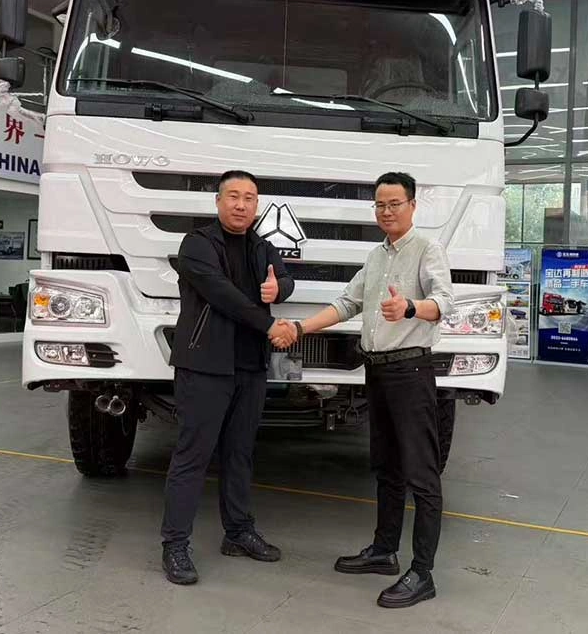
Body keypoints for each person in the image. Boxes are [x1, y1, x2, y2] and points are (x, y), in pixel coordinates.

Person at [273, 171, 453, 608]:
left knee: (421, 474)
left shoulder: (427, 249)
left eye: (395, 203)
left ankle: (423, 572)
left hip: (410, 370)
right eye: (380, 205)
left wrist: (409, 307)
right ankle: (384, 551)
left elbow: (444, 303)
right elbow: (347, 303)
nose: (386, 212)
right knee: (387, 467)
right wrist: (299, 328)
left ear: (412, 206)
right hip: (378, 372)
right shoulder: (376, 257)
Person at [161, 170, 296, 585]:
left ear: (257, 205)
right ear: (218, 201)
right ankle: (175, 544)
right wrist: (269, 323)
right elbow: (223, 295)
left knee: (240, 453)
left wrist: (280, 289)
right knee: (193, 455)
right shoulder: (197, 244)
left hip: (250, 367)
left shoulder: (262, 245)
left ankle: (237, 532)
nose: (241, 204)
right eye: (233, 196)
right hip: (205, 365)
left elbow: (285, 276)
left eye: (249, 198)